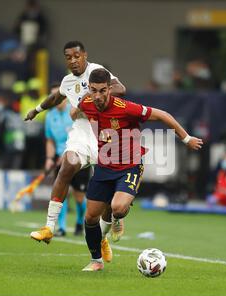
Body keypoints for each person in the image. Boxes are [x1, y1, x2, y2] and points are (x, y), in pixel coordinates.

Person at [78, 68, 203, 271]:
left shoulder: (126, 108)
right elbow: (78, 109)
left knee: (118, 206)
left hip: (130, 165)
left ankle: (117, 218)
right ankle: (96, 261)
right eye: (94, 91)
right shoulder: (87, 103)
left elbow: (163, 115)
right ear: (89, 90)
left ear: (110, 89)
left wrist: (186, 138)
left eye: (102, 90)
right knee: (91, 217)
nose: (98, 96)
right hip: (104, 166)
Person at [26, 41, 126, 254]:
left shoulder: (96, 71)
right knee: (67, 165)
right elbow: (56, 97)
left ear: (85, 55)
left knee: (108, 196)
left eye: (76, 56)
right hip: (81, 131)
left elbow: (120, 88)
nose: (73, 60)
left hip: (102, 132)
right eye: (68, 57)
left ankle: (106, 232)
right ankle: (49, 226)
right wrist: (36, 110)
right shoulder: (68, 81)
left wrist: (89, 97)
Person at [44, 83, 90, 237]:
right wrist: (50, 158)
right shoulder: (50, 116)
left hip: (79, 156)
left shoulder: (74, 111)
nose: (56, 99)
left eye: (58, 96)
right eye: (52, 97)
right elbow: (50, 139)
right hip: (59, 159)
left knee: (79, 196)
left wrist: (67, 153)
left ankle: (79, 222)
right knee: (61, 193)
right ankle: (61, 227)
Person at [0, 93, 25, 170]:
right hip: (8, 143)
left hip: (19, 145)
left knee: (17, 164)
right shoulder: (7, 114)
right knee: (7, 162)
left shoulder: (23, 114)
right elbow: (0, 127)